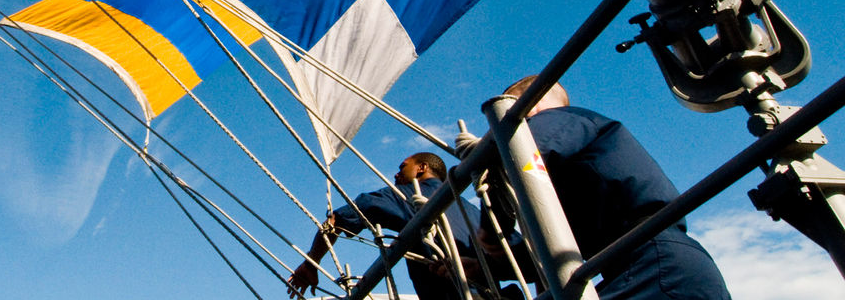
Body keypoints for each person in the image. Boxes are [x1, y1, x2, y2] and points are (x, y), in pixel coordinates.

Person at [484, 76, 732, 300]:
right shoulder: (576, 153)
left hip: (653, 262)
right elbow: (556, 252)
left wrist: (490, 229)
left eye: (515, 115)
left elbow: (516, 161)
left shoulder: (558, 120)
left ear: (530, 106)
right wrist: (488, 264)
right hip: (659, 264)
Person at [286, 152, 480, 300]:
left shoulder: (403, 195)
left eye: (402, 167)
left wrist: (311, 263)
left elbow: (336, 221)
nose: (396, 174)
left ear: (421, 168)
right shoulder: (472, 209)